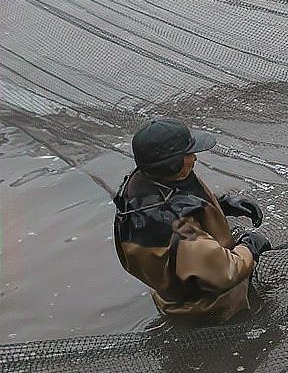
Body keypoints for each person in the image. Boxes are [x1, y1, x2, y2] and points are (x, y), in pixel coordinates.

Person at [112, 117, 270, 322]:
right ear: (170, 163)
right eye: (187, 153)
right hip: (209, 307)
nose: (194, 157)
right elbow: (226, 271)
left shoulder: (147, 180)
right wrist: (251, 246)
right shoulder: (173, 226)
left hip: (188, 275)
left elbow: (185, 202)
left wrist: (223, 204)